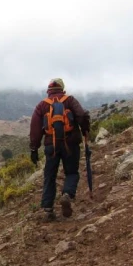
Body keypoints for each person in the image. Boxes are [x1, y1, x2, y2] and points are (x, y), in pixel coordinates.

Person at [29, 78, 90, 220]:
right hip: (71, 144)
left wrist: (34, 149)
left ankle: (48, 210)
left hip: (51, 146)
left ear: (48, 90)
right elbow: (81, 115)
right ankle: (67, 194)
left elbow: (35, 130)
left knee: (50, 176)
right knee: (72, 172)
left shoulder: (42, 105)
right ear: (62, 88)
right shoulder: (70, 100)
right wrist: (85, 129)